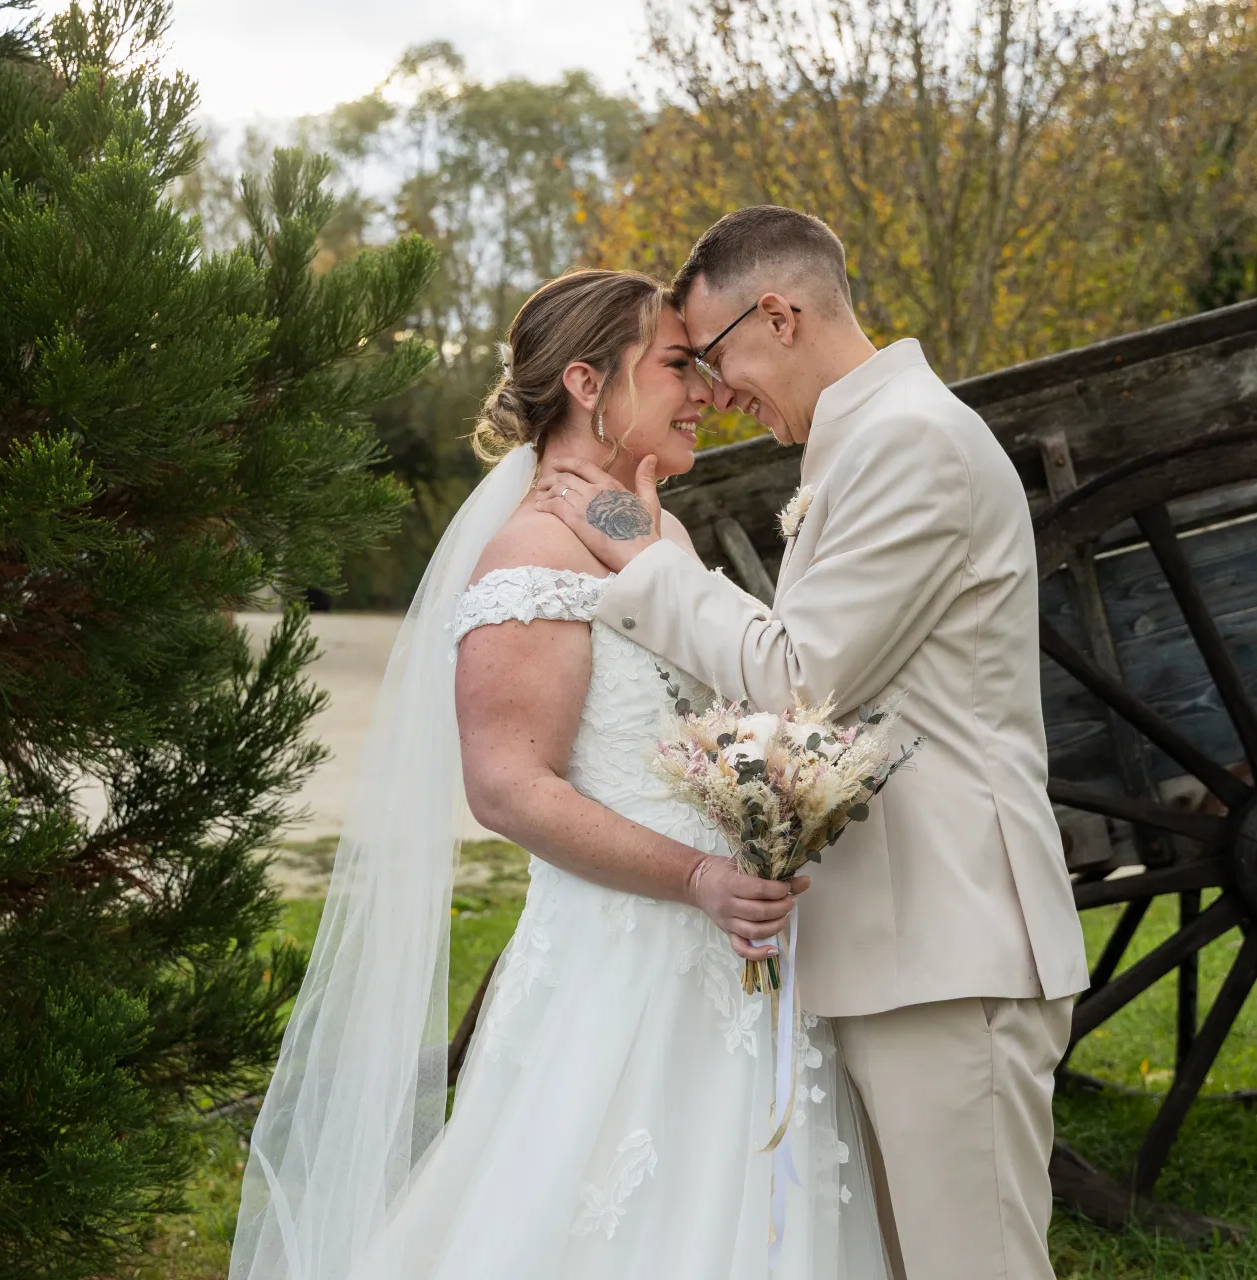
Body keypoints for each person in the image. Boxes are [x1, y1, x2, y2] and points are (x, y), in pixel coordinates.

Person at [230, 268, 892, 1280]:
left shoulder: (659, 531)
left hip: (735, 954)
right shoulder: (529, 554)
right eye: (677, 366)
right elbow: (508, 785)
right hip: (617, 965)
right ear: (587, 383)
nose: (706, 391)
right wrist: (698, 876)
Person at [536, 207, 1087, 1280]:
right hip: (894, 947)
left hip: (950, 940)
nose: (717, 390)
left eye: (717, 354)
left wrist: (647, 559)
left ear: (779, 315)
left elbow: (802, 676)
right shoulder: (869, 440)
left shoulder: (911, 442)